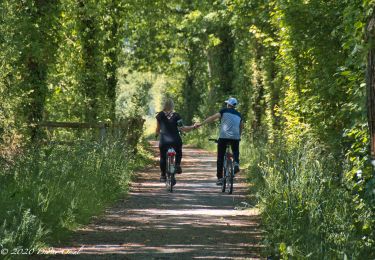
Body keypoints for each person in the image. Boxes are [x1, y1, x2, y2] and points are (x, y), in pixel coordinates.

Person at [195, 97, 243, 185]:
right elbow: (241, 126)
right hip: (235, 137)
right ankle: (236, 162)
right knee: (235, 150)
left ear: (228, 105)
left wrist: (201, 124)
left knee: (220, 157)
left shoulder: (223, 111)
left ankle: (220, 178)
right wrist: (239, 136)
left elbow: (212, 118)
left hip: (224, 137)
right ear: (235, 106)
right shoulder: (239, 115)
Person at [155, 98, 196, 182]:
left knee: (163, 157)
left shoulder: (159, 115)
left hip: (164, 140)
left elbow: (158, 129)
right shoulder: (177, 115)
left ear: (164, 105)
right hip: (175, 140)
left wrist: (157, 134)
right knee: (179, 152)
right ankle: (177, 164)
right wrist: (193, 126)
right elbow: (183, 128)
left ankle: (163, 175)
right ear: (172, 105)